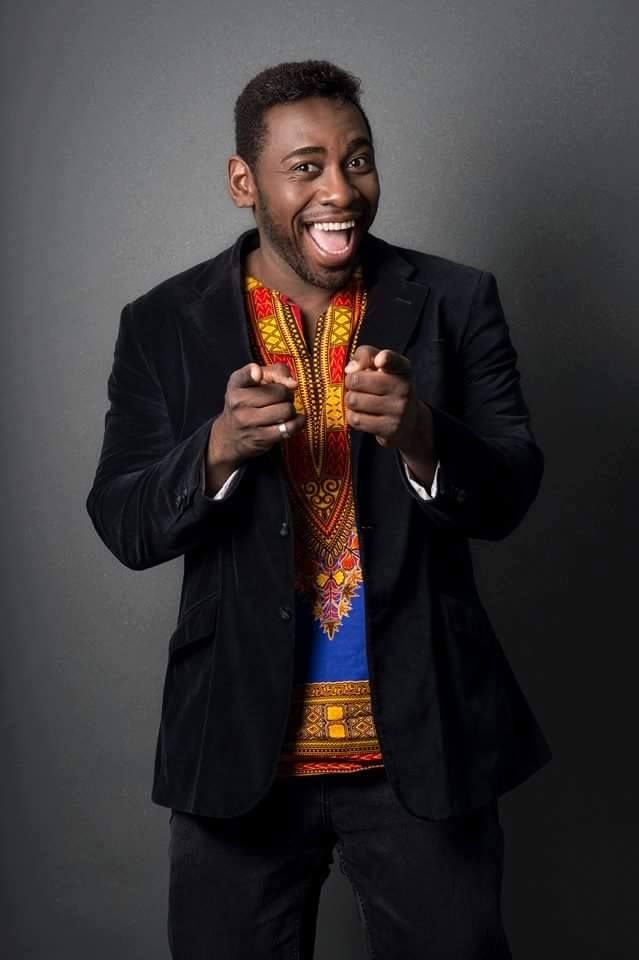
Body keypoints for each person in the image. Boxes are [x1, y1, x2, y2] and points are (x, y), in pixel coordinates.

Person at [87, 60, 551, 959]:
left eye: (357, 160)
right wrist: (218, 447)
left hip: (425, 747)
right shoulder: (163, 321)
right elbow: (124, 521)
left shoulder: (455, 300)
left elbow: (510, 494)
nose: (340, 190)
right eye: (305, 167)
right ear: (243, 182)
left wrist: (422, 434)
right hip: (235, 756)